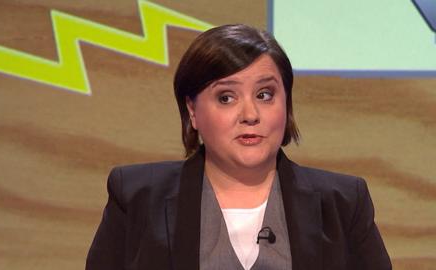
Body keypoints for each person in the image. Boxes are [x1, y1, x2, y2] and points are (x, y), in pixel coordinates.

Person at [85, 24, 392, 270]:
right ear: (192, 110)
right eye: (226, 98)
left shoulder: (343, 202)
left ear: (287, 104)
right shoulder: (137, 196)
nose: (250, 115)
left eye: (265, 95)